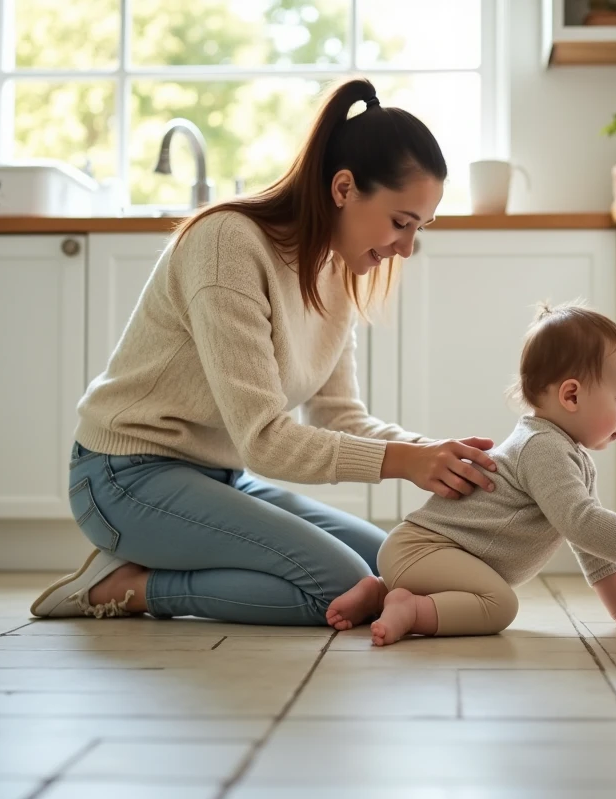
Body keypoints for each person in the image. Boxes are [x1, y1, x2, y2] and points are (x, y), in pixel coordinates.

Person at [30, 78, 499, 625]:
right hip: (123, 476)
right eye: (400, 223)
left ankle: (160, 562)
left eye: (419, 228)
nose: (407, 248)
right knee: (342, 586)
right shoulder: (228, 244)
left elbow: (339, 417)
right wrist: (406, 463)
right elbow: (264, 440)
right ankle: (128, 587)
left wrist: (437, 454)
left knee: (397, 564)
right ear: (344, 188)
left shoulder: (334, 270)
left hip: (222, 475)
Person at [326, 304, 616, 646]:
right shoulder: (543, 448)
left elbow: (591, 544)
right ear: (571, 396)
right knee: (498, 605)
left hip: (422, 556)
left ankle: (379, 593)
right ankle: (410, 608)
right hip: (424, 552)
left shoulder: (564, 453)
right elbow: (583, 525)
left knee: (491, 595)